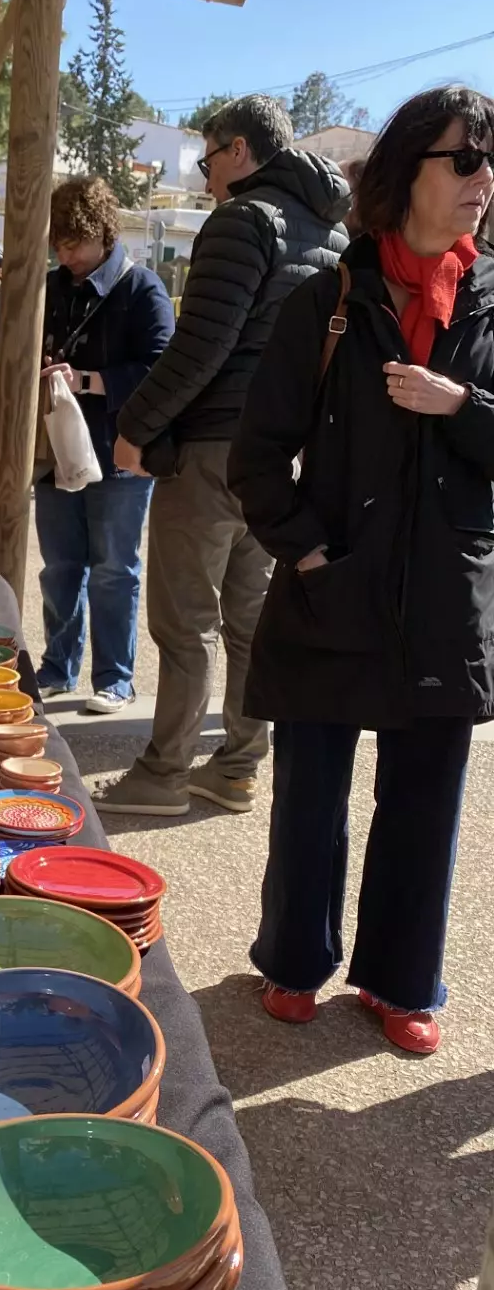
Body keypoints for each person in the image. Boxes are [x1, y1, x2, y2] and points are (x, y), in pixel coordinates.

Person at [229, 85, 494, 1056]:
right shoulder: (326, 299)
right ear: (407, 171)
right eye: (462, 160)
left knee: (425, 801)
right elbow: (255, 455)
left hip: (443, 600)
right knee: (309, 798)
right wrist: (305, 549)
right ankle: (295, 962)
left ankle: (399, 981)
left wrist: (459, 404)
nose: (482, 181)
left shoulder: (493, 299)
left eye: (489, 163)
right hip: (330, 588)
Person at [95, 94, 351, 816]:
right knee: (249, 620)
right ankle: (238, 764)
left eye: (209, 159)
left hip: (214, 452)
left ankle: (164, 772)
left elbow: (201, 343)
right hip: (283, 456)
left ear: (238, 150)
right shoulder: (328, 236)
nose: (206, 175)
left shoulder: (241, 221)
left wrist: (135, 424)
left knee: (183, 623)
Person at [34, 175, 175, 714]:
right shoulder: (52, 286)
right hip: (54, 451)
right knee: (59, 565)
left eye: (75, 243)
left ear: (104, 234)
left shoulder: (142, 288)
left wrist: (88, 380)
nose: (65, 254)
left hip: (116, 452)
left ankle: (115, 678)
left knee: (115, 568)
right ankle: (56, 666)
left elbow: (163, 369)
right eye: (59, 244)